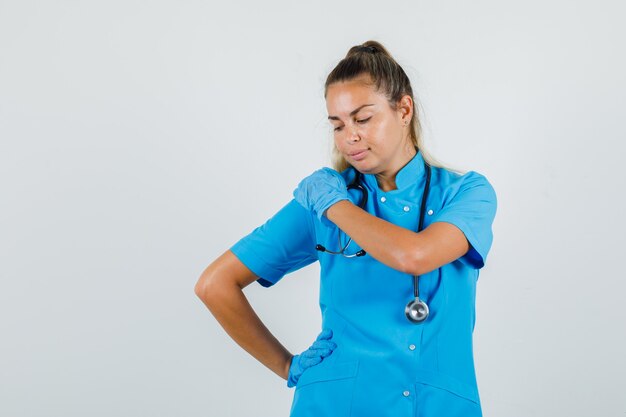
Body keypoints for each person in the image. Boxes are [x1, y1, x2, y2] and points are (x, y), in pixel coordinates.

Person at [195, 40, 497, 417]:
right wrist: (287, 366)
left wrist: (334, 207)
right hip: (336, 403)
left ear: (404, 109)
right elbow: (214, 284)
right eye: (337, 125)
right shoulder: (324, 199)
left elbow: (415, 256)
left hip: (438, 404)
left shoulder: (466, 192)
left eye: (363, 119)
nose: (349, 136)